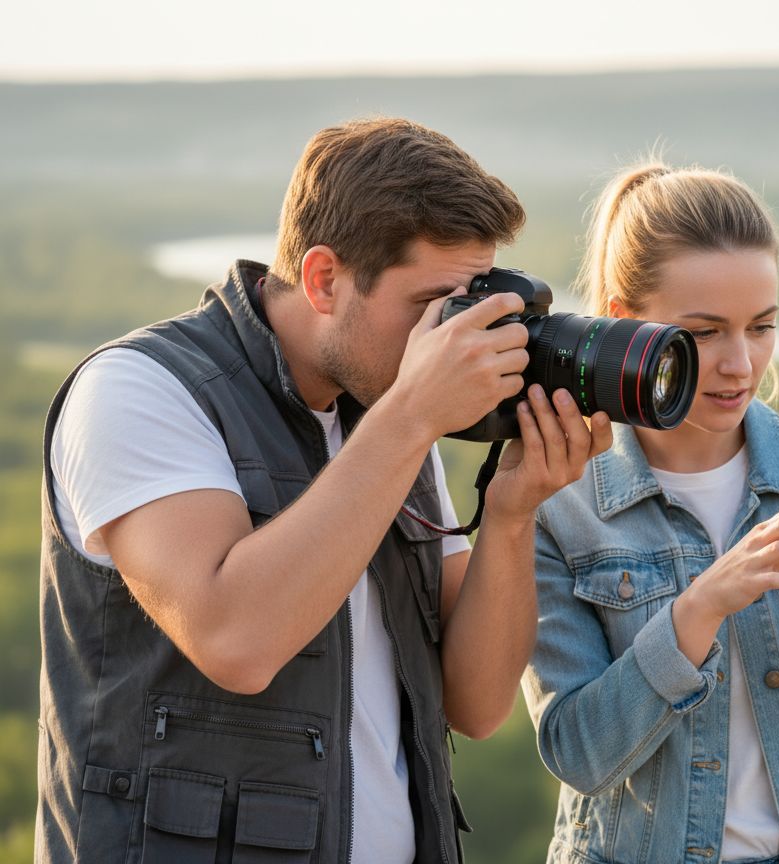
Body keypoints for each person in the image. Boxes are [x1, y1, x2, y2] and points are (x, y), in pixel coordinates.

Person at [37, 117, 611, 864]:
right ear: (324, 280)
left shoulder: (386, 413)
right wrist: (411, 418)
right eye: (432, 305)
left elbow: (477, 703)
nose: (450, 337)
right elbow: (236, 641)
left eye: (466, 305)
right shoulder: (140, 389)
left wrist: (511, 512)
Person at [522, 163, 779, 864]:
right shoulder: (556, 501)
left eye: (762, 326)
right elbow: (580, 754)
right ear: (624, 321)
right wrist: (701, 607)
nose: (741, 364)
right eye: (705, 332)